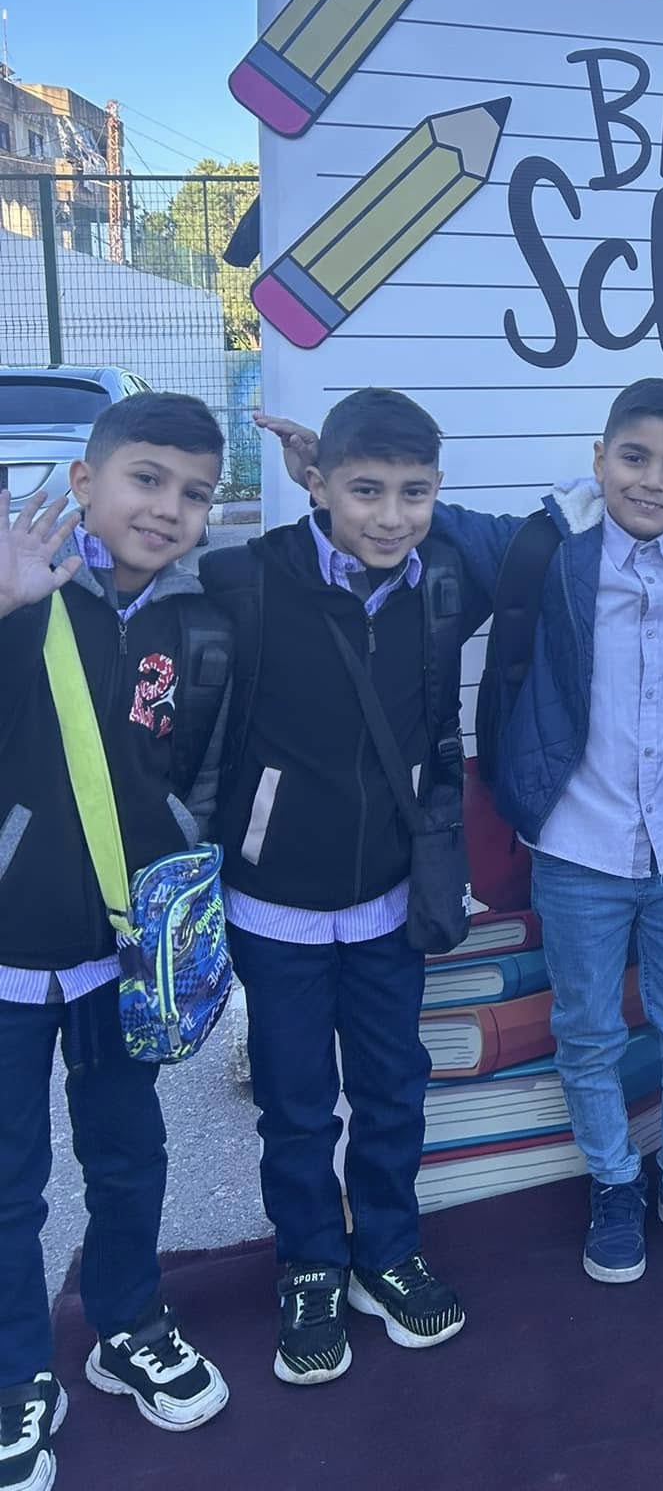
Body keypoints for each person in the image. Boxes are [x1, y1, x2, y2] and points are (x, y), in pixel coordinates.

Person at [266, 377, 663, 1287]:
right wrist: (325, 472)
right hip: (577, 846)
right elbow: (424, 515)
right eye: (634, 458)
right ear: (599, 460)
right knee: (588, 1030)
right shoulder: (545, 545)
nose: (651, 482)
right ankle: (615, 1183)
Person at [201, 389, 482, 1386]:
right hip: (272, 906)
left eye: (415, 492)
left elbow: (542, 531)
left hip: (389, 903)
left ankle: (387, 1252)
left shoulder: (443, 576)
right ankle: (312, 1262)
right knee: (297, 1104)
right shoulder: (248, 578)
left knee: (392, 1089)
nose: (391, 515)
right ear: (316, 485)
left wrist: (357, 470)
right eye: (365, 489)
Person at [0, 395, 233, 1491]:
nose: (168, 508)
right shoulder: (22, 593)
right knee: (8, 1182)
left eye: (194, 493)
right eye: (147, 478)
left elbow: (197, 771)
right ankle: (15, 1370)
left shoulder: (201, 622)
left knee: (130, 1153)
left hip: (122, 959)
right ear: (85, 481)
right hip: (6, 957)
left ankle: (127, 1319)